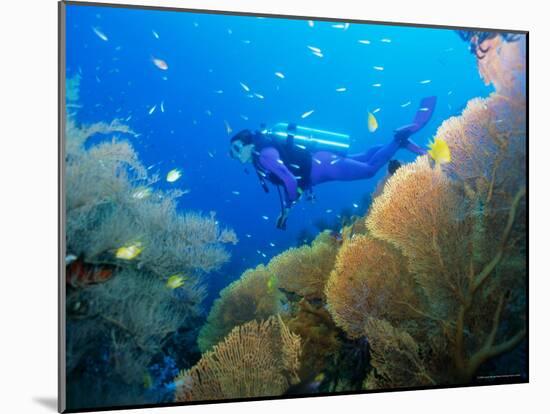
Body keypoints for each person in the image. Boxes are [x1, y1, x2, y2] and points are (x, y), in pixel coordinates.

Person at [229, 96, 437, 229]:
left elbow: (290, 182)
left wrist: (294, 199)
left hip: (324, 167)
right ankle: (396, 142)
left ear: (248, 144)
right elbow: (285, 182)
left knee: (369, 170)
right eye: (232, 153)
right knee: (364, 157)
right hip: (323, 160)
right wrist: (285, 211)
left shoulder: (263, 156)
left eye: (237, 149)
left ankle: (399, 139)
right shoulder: (259, 158)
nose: (236, 156)